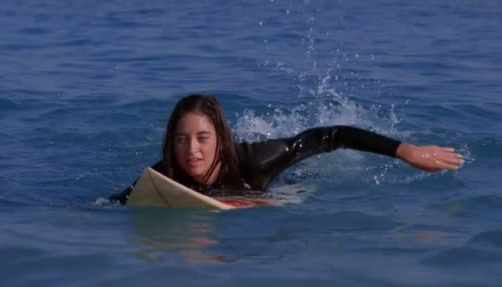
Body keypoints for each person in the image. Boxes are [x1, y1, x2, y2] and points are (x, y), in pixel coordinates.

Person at [110, 94, 464, 204]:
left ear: (221, 139)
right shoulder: (167, 173)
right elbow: (116, 201)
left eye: (202, 138)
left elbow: (330, 135)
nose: (192, 151)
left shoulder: (258, 159)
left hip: (274, 187)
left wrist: (407, 151)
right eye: (181, 139)